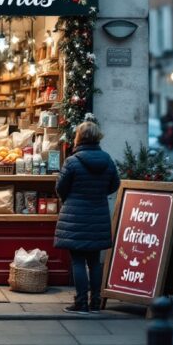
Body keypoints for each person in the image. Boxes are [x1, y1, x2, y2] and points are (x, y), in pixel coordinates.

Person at [54, 121, 121, 314]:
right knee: (94, 261)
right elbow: (114, 184)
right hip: (98, 214)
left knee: (77, 261)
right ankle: (96, 302)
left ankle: (81, 302)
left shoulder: (72, 161)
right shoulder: (107, 159)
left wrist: (70, 197)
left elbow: (60, 187)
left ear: (79, 137)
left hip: (75, 216)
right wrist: (98, 195)